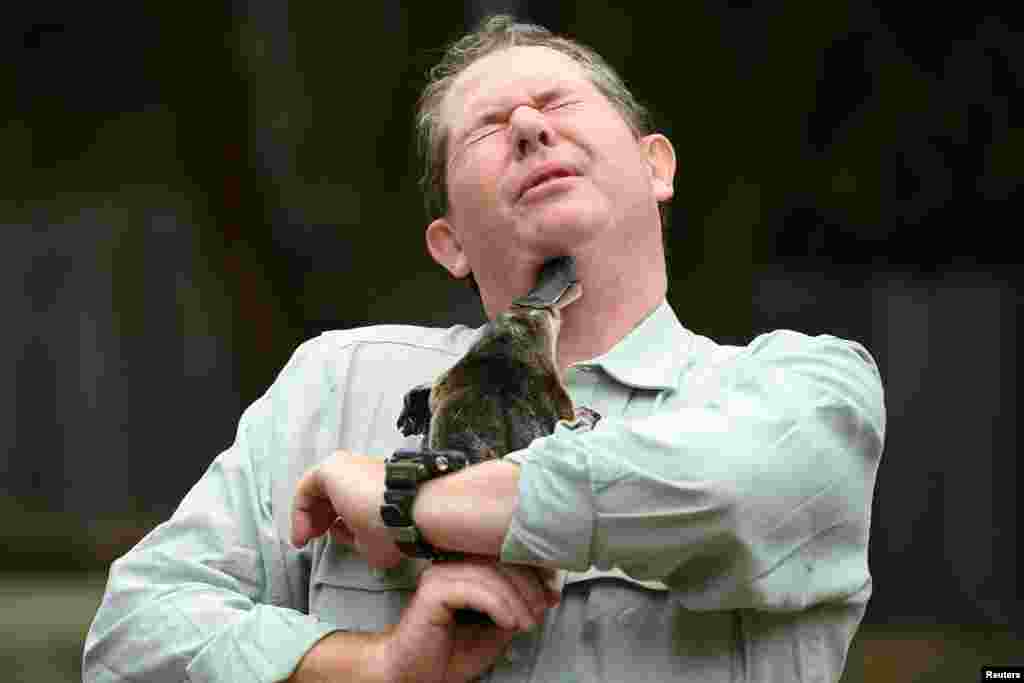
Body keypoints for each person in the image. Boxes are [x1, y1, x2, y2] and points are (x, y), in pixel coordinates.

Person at [83, 14, 885, 683]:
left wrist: (409, 502)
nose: (532, 128)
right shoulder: (335, 385)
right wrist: (377, 665)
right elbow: (132, 635)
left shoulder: (805, 389)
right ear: (450, 245)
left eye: (557, 102)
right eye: (489, 131)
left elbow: (733, 488)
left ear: (656, 166)